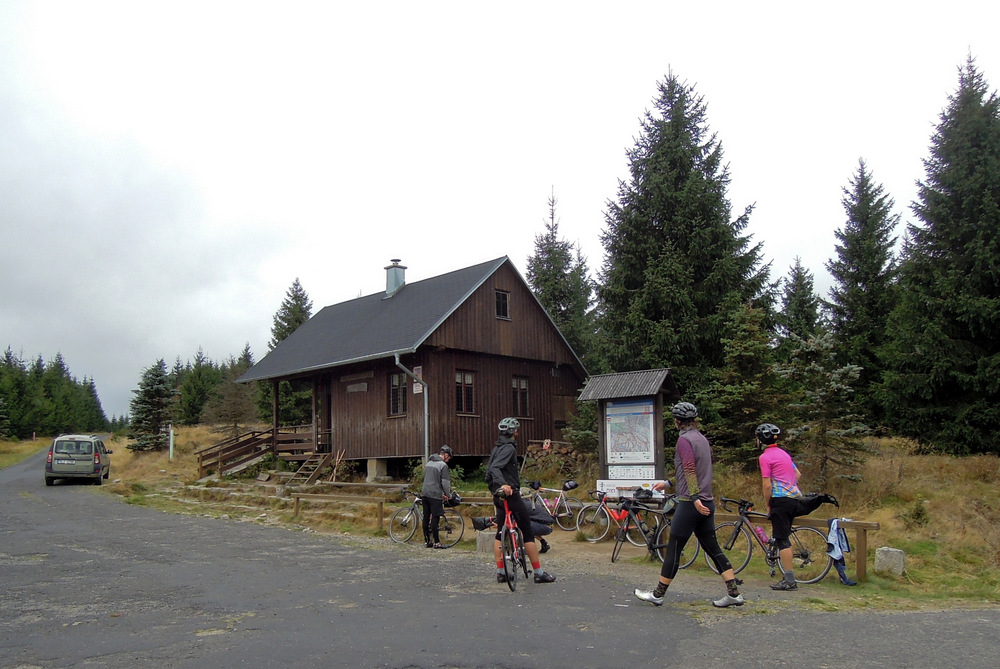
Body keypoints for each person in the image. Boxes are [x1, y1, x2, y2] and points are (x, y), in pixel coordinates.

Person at [634, 402, 744, 608]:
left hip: (690, 503)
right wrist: (668, 483)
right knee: (713, 548)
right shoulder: (702, 439)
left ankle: (658, 594)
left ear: (677, 422)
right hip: (707, 501)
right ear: (694, 420)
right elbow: (696, 470)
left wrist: (694, 498)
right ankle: (734, 593)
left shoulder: (684, 440)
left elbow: (690, 470)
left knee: (674, 548)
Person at [756, 422, 839, 590]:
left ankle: (790, 580)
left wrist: (768, 504)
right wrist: (789, 485)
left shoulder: (765, 457)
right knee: (784, 536)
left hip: (780, 500)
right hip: (794, 498)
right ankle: (788, 578)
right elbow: (797, 474)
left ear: (760, 440)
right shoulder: (784, 454)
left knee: (782, 540)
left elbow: (767, 485)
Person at [485, 417, 556, 584]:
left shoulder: (497, 448)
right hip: (510, 494)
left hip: (498, 496)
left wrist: (495, 488)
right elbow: (495, 468)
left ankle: (501, 572)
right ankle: (538, 573)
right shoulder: (509, 448)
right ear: (513, 432)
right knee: (528, 532)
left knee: (500, 532)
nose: (517, 432)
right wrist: (504, 484)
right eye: (516, 430)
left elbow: (489, 472)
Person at [421, 445, 453, 549]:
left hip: (425, 493)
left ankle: (427, 541)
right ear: (446, 455)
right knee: (435, 517)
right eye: (448, 458)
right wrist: (448, 494)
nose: (448, 460)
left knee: (426, 517)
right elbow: (445, 483)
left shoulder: (428, 463)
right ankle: (437, 542)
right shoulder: (442, 465)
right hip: (434, 495)